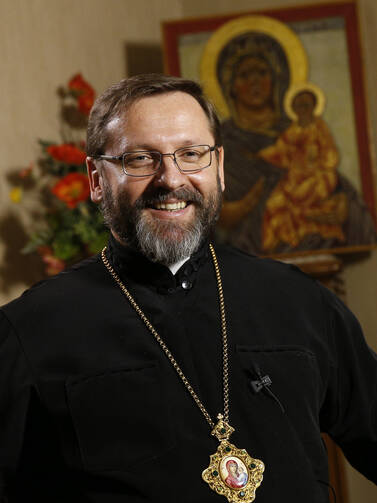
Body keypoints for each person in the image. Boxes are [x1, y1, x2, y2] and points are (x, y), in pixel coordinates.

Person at [0, 74, 376, 503]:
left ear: (218, 167)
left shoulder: (300, 302)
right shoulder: (29, 332)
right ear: (96, 179)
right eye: (140, 159)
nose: (170, 179)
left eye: (191, 154)